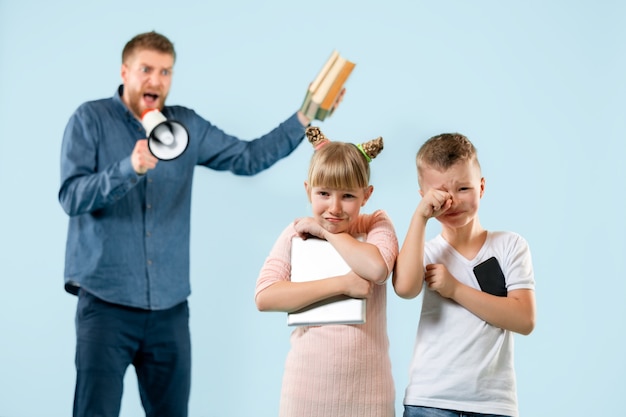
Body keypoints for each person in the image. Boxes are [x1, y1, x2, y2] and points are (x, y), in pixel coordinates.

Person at [58, 31, 323, 417]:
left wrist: (306, 115)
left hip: (169, 309)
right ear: (125, 71)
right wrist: (126, 169)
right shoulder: (90, 119)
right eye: (146, 69)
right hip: (105, 305)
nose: (156, 80)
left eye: (165, 71)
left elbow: (248, 157)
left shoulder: (186, 126)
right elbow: (71, 197)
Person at [255, 126, 398, 417]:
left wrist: (326, 232)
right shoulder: (296, 233)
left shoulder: (374, 225)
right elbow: (265, 296)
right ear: (308, 190)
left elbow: (377, 269)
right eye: (323, 193)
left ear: (366, 195)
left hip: (369, 397)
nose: (334, 207)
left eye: (347, 195)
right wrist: (342, 284)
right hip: (305, 392)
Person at [392, 133, 536, 417]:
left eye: (463, 189)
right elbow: (405, 288)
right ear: (424, 197)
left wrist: (454, 288)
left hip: (493, 404)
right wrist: (419, 218)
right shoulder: (424, 250)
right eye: (442, 193)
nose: (454, 202)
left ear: (481, 188)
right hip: (429, 401)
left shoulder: (510, 246)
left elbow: (524, 319)